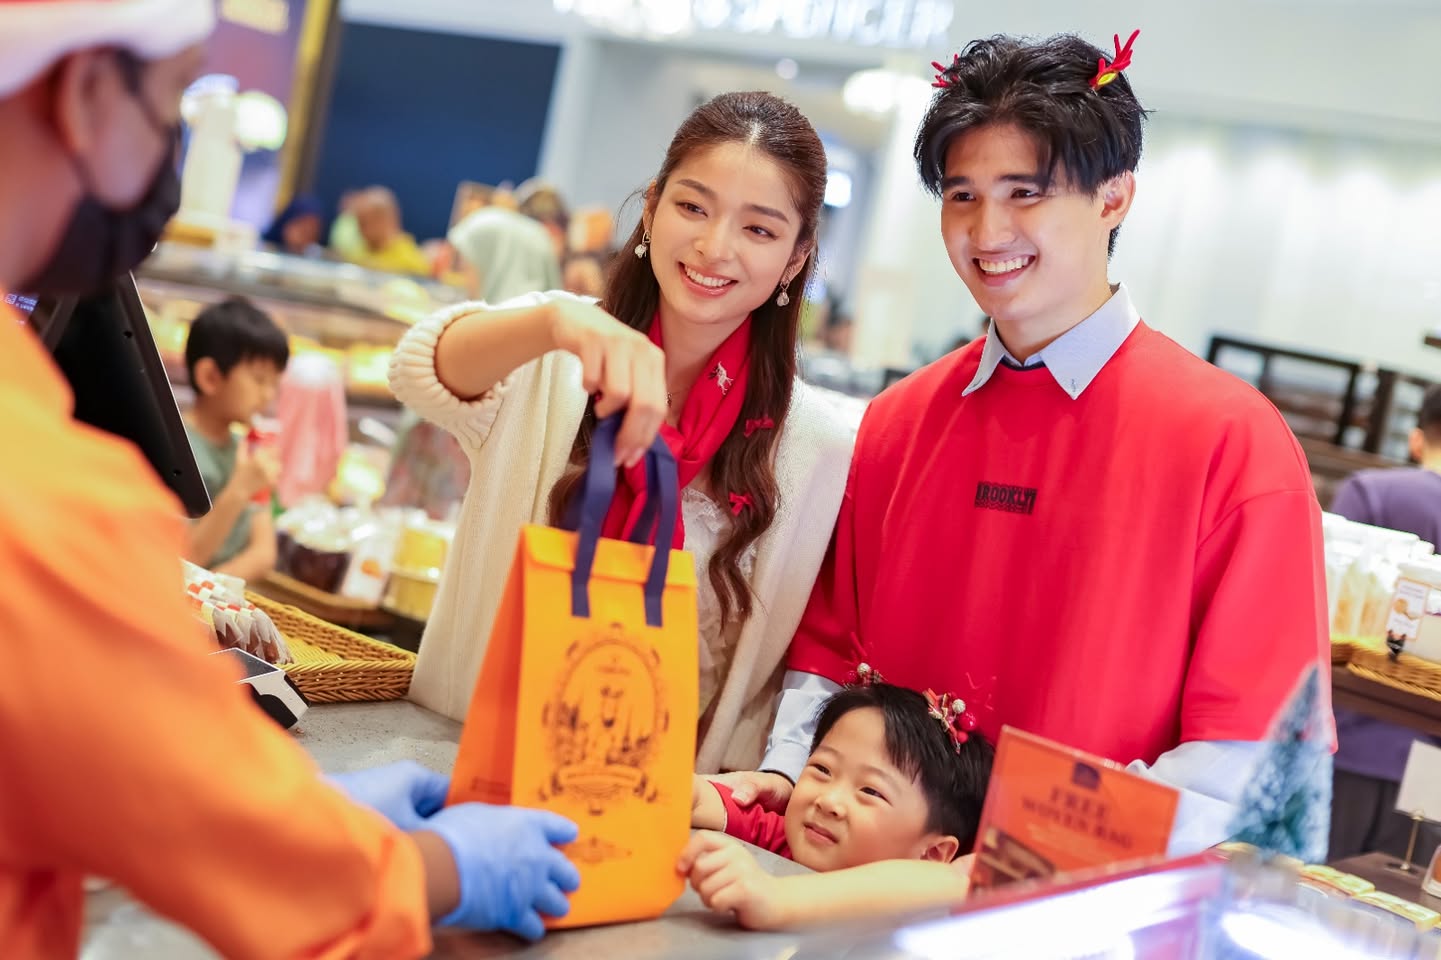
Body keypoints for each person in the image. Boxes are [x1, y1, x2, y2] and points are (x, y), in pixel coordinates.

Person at [0, 2, 579, 955]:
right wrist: (435, 871)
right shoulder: (46, 499)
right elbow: (201, 823)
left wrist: (301, 805)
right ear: (86, 93)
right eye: (175, 95)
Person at [720, 32, 1333, 855]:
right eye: (961, 194)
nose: (986, 230)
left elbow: (1245, 760)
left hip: (1075, 916)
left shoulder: (1230, 441)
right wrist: (796, 787)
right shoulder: (899, 423)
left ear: (1114, 198)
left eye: (1024, 192)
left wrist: (1014, 864)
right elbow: (829, 661)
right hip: (853, 900)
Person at [389, 91, 856, 773]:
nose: (713, 246)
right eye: (692, 207)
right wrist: (555, 323)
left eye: (758, 229)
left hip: (646, 816)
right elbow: (418, 371)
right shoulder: (556, 352)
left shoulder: (815, 445)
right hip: (463, 770)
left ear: (794, 259)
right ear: (652, 207)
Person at [683, 676, 992, 929]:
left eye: (870, 791)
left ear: (933, 853)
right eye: (822, 769)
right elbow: (698, 799)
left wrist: (774, 898)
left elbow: (948, 883)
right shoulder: (785, 839)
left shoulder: (921, 905)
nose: (828, 801)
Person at [1327, 385, 1441, 861]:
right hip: (1432, 771)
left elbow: (1324, 606)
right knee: (1398, 912)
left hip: (1347, 739)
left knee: (1307, 896)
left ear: (1418, 440)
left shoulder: (1371, 493)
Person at [182, 296, 288, 580]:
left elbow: (265, 552)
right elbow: (182, 558)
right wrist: (240, 488)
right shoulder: (176, 451)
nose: (268, 395)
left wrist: (217, 593)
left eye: (275, 383)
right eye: (259, 379)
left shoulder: (248, 450)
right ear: (210, 377)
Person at [347, 185, 431, 276]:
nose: (359, 230)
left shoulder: (410, 262)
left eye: (363, 223)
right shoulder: (359, 251)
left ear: (383, 221)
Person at [262, 194, 328, 258]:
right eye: (303, 229)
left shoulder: (315, 259)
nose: (307, 236)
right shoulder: (263, 254)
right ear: (287, 224)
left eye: (314, 231)